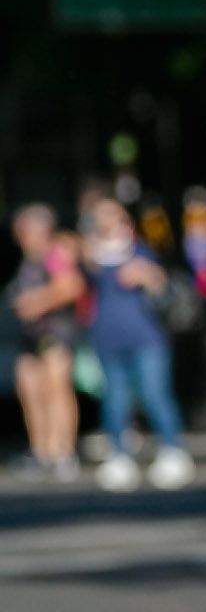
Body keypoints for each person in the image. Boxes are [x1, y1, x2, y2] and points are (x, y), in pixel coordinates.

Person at [82, 196, 195, 490]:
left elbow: (163, 292)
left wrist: (150, 277)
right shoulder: (90, 258)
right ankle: (119, 453)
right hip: (107, 340)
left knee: (154, 394)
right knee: (115, 399)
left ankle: (172, 448)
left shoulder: (141, 252)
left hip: (146, 338)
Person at [7, 205, 83, 481]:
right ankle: (41, 451)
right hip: (30, 337)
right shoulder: (28, 259)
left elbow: (72, 285)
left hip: (55, 334)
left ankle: (63, 452)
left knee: (56, 389)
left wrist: (38, 302)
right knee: (30, 391)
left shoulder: (55, 254)